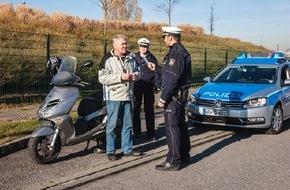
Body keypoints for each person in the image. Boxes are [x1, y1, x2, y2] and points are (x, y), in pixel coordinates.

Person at [98, 34, 141, 161]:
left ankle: (127, 149)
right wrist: (120, 77)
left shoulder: (131, 57)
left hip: (128, 96)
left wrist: (135, 76)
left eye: (125, 44)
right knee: (111, 125)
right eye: (122, 44)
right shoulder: (107, 59)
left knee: (127, 125)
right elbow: (102, 78)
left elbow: (138, 71)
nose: (125, 46)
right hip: (114, 97)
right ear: (115, 45)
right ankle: (110, 151)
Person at [154, 26, 192, 171]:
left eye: (165, 37)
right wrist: (156, 68)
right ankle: (184, 157)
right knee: (181, 127)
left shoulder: (175, 54)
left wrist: (163, 99)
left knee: (172, 128)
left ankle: (173, 160)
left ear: (170, 37)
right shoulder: (181, 52)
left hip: (173, 98)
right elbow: (170, 72)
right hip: (180, 98)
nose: (164, 39)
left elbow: (171, 79)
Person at [133, 38, 161, 141]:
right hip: (137, 85)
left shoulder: (152, 58)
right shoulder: (134, 57)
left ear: (148, 47)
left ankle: (151, 133)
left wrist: (157, 86)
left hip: (148, 85)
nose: (143, 48)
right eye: (141, 46)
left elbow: (156, 72)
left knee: (149, 110)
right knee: (135, 109)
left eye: (145, 46)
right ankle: (136, 133)